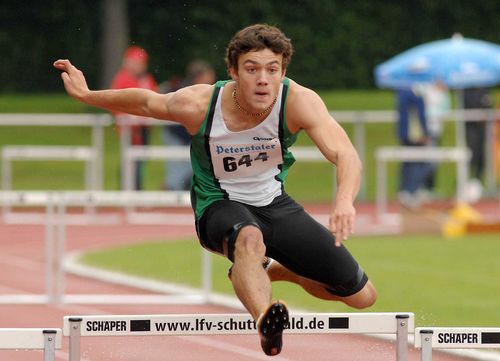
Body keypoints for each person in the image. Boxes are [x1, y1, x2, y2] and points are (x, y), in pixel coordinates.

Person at [54, 24, 377, 357]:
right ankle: (265, 321)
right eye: (252, 69)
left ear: (283, 71)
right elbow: (147, 103)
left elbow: (345, 154)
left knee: (361, 295)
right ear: (233, 71)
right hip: (219, 205)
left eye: (272, 69)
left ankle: (268, 270)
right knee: (249, 239)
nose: (263, 79)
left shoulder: (298, 102)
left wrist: (343, 201)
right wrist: (87, 95)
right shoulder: (200, 104)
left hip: (274, 204)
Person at [160, 60, 216, 190]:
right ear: (199, 77)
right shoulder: (185, 93)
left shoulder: (200, 92)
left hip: (187, 136)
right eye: (208, 77)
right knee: (176, 172)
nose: (212, 81)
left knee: (189, 171)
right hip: (177, 135)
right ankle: (169, 199)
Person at [111, 46, 158, 190]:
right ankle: (129, 192)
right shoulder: (122, 79)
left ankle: (136, 191)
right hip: (130, 129)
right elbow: (114, 103)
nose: (139, 66)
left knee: (140, 161)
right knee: (130, 161)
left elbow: (156, 101)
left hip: (143, 128)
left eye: (141, 63)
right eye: (135, 62)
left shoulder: (146, 79)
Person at [396, 87, 432, 208]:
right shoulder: (412, 93)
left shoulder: (402, 92)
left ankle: (407, 191)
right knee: (417, 164)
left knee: (410, 163)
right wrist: (425, 132)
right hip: (415, 135)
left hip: (409, 134)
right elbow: (419, 114)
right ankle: (410, 191)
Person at [421, 80, 451, 195]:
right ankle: (423, 187)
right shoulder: (424, 88)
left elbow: (446, 111)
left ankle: (429, 187)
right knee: (428, 160)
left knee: (434, 160)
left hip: (436, 131)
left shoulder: (443, 93)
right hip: (426, 131)